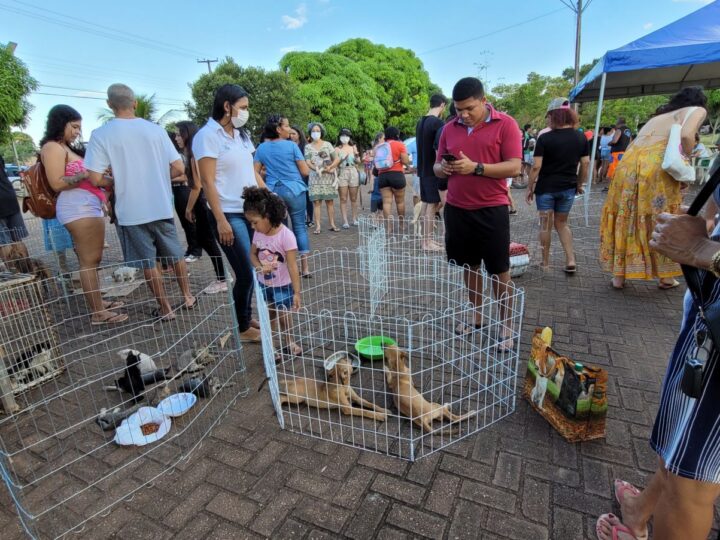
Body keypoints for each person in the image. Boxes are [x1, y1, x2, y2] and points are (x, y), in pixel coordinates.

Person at [594, 178, 720, 539]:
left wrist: (704, 251)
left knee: (692, 483)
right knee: (680, 446)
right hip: (708, 323)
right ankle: (638, 511)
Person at [85, 84, 195, 322]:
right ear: (134, 103)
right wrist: (155, 176)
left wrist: (116, 179)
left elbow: (94, 177)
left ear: (110, 105)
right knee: (175, 255)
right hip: (161, 206)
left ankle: (165, 308)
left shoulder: (101, 135)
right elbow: (178, 167)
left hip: (130, 210)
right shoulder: (155, 130)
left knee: (148, 262)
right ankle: (187, 296)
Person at [433, 77, 522, 349]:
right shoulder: (449, 128)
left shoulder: (506, 124)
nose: (464, 115)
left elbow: (514, 167)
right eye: (459, 109)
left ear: (484, 101)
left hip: (491, 209)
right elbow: (436, 166)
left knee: (499, 270)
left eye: (469, 108)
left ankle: (506, 325)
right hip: (458, 209)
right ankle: (476, 314)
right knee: (469, 266)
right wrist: (444, 170)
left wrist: (477, 168)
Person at [600, 86, 707, 290]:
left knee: (626, 214)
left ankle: (619, 276)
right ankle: (665, 276)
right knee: (663, 216)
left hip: (628, 165)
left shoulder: (658, 117)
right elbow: (686, 136)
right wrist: (686, 156)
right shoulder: (696, 110)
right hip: (656, 166)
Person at [41, 104, 128, 325]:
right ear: (61, 123)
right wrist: (85, 173)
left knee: (92, 259)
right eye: (74, 126)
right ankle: (98, 312)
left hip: (87, 207)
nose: (78, 131)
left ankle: (98, 303)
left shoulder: (66, 148)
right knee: (89, 261)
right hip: (77, 209)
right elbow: (57, 183)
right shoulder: (52, 148)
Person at [193, 84, 265, 342]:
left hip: (250, 212)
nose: (246, 112)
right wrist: (221, 220)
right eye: (243, 107)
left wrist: (267, 194)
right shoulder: (207, 136)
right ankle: (243, 328)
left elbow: (252, 171)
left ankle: (244, 317)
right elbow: (208, 181)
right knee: (246, 270)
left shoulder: (241, 135)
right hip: (228, 214)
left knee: (251, 270)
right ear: (227, 106)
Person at [525, 98, 589, 271]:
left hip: (546, 189)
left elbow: (536, 166)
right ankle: (570, 260)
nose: (548, 120)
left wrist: (530, 187)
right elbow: (585, 163)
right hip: (568, 188)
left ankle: (545, 263)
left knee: (545, 225)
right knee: (562, 224)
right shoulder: (581, 137)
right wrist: (579, 183)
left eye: (549, 116)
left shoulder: (545, 138)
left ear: (554, 116)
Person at [245, 187, 302, 361]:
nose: (252, 226)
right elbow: (252, 255)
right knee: (268, 316)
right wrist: (259, 267)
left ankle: (289, 342)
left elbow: (292, 266)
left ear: (267, 216)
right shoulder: (258, 233)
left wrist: (297, 292)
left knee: (284, 316)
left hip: (283, 286)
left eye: (255, 222)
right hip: (264, 285)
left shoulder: (286, 236)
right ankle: (270, 347)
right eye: (250, 223)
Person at [253, 114, 311, 276]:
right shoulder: (292, 146)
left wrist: (266, 187)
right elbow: (305, 171)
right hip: (295, 190)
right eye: (286, 126)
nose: (290, 129)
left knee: (280, 230)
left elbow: (255, 172)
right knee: (300, 227)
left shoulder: (261, 148)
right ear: (278, 129)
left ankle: (285, 268)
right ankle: (305, 268)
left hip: (273, 192)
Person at [174, 121, 227, 294]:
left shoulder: (194, 155)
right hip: (202, 201)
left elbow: (197, 185)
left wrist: (188, 208)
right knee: (207, 240)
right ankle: (222, 276)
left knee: (208, 240)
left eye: (178, 134)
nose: (176, 138)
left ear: (187, 134)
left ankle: (223, 278)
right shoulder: (192, 153)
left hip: (202, 202)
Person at [415, 93, 448, 251]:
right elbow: (438, 149)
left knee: (426, 203)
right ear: (442, 105)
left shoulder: (420, 122)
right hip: (432, 169)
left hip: (422, 169)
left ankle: (426, 240)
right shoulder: (437, 123)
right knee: (432, 205)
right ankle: (427, 242)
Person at [167, 130, 201, 263]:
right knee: (184, 222)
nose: (176, 138)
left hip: (183, 189)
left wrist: (167, 178)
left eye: (179, 135)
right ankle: (191, 248)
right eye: (175, 136)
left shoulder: (181, 157)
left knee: (189, 221)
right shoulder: (177, 155)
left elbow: (186, 176)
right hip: (177, 190)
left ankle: (195, 250)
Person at [304, 122, 340, 234]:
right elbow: (307, 162)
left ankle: (332, 224)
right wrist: (316, 169)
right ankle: (318, 226)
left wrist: (330, 167)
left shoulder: (328, 144)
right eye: (313, 131)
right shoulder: (308, 147)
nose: (316, 133)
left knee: (330, 201)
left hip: (328, 177)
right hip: (315, 178)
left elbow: (337, 158)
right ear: (310, 133)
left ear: (321, 132)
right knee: (317, 202)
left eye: (318, 130)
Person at [376, 126, 410, 225]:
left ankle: (389, 227)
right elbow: (405, 161)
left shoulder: (380, 146)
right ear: (397, 135)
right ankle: (401, 224)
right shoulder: (400, 145)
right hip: (397, 175)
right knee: (400, 202)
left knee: (386, 202)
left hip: (383, 176)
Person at [0, 155, 30, 264]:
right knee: (17, 240)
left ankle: (16, 274)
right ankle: (28, 270)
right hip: (9, 196)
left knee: (3, 243)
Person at [335, 128, 361, 229]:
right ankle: (345, 221)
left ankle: (354, 219)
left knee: (354, 198)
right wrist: (342, 159)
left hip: (353, 171)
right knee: (343, 198)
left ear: (349, 137)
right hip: (342, 172)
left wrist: (356, 154)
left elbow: (358, 161)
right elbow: (335, 163)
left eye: (346, 136)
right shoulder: (337, 149)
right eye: (342, 135)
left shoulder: (353, 147)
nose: (344, 138)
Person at [289, 125, 313, 228]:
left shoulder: (306, 147)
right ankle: (301, 218)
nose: (291, 136)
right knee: (297, 197)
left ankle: (310, 219)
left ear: (299, 134)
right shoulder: (287, 145)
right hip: (293, 176)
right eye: (290, 133)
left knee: (308, 198)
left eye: (293, 133)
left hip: (305, 175)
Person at [607, 116, 632, 180]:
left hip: (616, 153)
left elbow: (615, 140)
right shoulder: (628, 130)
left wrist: (609, 143)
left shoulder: (619, 130)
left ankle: (611, 187)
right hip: (624, 153)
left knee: (613, 170)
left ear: (618, 123)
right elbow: (630, 142)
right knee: (622, 170)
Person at [405, 136, 419, 206]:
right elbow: (405, 154)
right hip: (417, 170)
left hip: (427, 170)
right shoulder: (414, 142)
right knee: (416, 193)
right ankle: (417, 214)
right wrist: (408, 167)